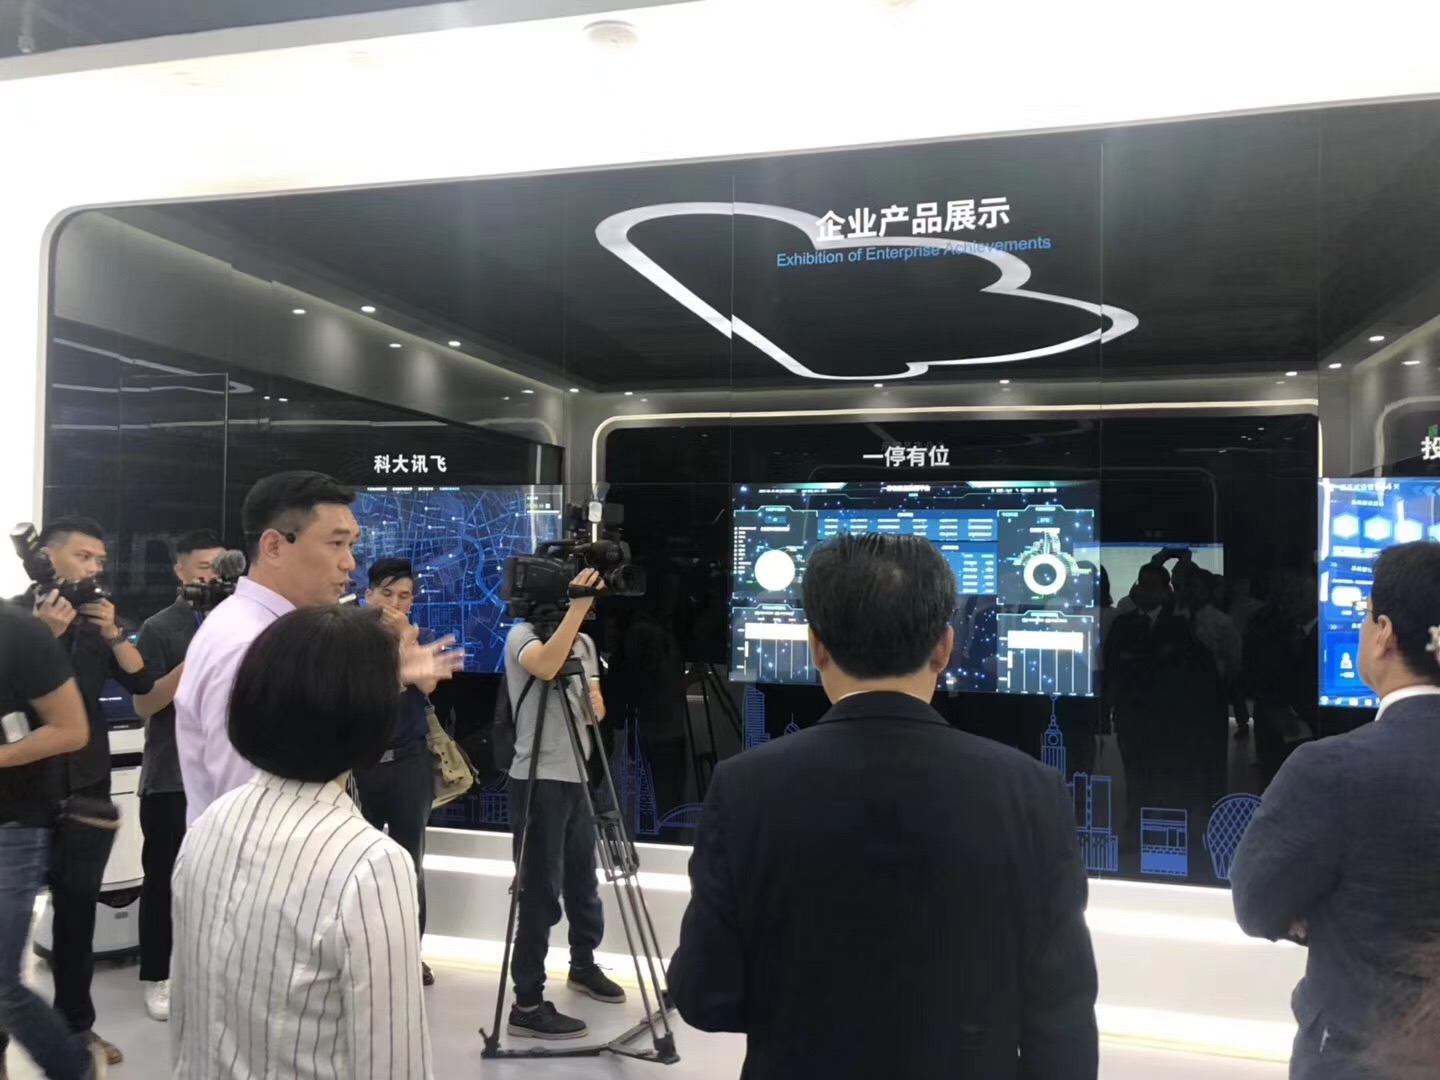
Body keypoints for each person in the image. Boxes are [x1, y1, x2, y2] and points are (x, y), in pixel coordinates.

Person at [669, 534, 1099, 1080]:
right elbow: (1062, 1023)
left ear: (816, 646)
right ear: (944, 647)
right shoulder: (1032, 791)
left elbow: (705, 997)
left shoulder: (743, 787)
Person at [171, 605, 440, 1080]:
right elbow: (393, 1061)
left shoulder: (209, 824)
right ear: (370, 716)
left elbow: (186, 1018)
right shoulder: (371, 864)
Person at [1231, 543, 1440, 1079]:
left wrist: (1327, 914)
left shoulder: (1331, 769)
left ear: (1384, 633)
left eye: (1366, 615)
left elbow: (1256, 904)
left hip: (1359, 1055)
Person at [11, 518, 154, 1069]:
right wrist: (43, 634)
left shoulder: (100, 622)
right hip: (21, 791)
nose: (95, 568)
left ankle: (78, 1029)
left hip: (86, 789)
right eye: (84, 556)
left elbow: (141, 683)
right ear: (48, 556)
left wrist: (114, 632)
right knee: (8, 926)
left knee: (77, 921)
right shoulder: (15, 620)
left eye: (100, 559)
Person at [175, 471, 360, 825]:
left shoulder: (261, 629)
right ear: (274, 546)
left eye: (351, 545)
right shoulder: (249, 647)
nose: (349, 562)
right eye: (336, 543)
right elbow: (249, 809)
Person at [503, 569, 626, 1040]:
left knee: (582, 880)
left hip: (578, 775)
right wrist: (576, 612)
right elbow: (545, 666)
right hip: (538, 778)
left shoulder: (585, 643)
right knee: (539, 890)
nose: (588, 606)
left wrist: (595, 699)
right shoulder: (522, 635)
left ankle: (583, 964)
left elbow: (595, 707)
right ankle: (527, 1003)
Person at [0, 604, 109, 1080]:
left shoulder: (19, 633)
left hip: (11, 825)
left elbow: (71, 730)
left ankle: (74, 1067)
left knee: (2, 985)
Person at [127, 529, 225, 1023]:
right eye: (203, 567)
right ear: (181, 571)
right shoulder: (160, 627)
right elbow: (144, 703)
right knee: (164, 880)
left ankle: (206, 972)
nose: (212, 577)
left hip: (225, 777)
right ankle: (156, 975)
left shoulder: (236, 621)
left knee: (219, 884)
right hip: (170, 778)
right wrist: (195, 659)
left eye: (220, 567)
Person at [354, 557, 439, 988]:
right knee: (356, 864)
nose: (395, 603)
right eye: (386, 594)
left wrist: (407, 638)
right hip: (361, 765)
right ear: (368, 594)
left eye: (404, 596)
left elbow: (428, 684)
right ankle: (361, 951)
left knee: (410, 864)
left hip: (409, 763)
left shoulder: (415, 636)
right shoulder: (350, 638)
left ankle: (409, 954)